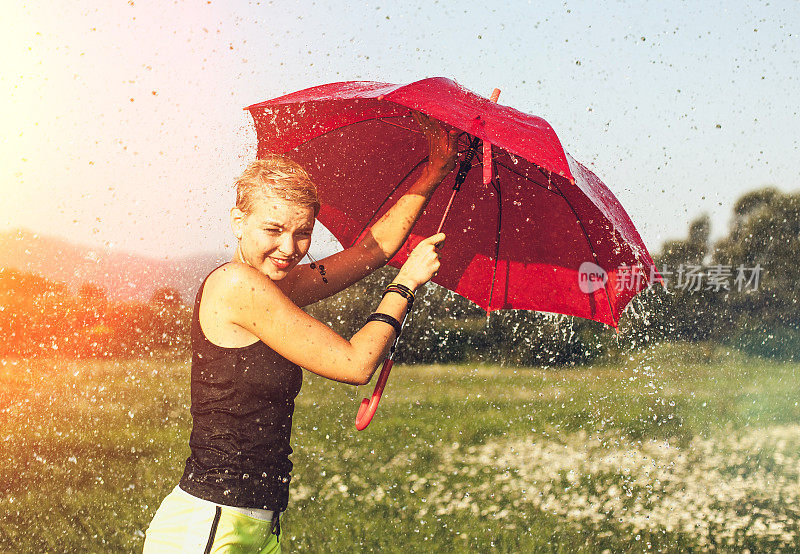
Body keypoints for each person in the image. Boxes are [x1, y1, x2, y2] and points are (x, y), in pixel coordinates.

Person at [142, 112, 458, 553]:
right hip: (210, 525)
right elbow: (356, 363)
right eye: (273, 229)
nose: (289, 248)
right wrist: (405, 284)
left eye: (303, 233)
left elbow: (372, 249)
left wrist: (435, 171)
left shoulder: (273, 284)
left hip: (258, 524)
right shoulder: (237, 285)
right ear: (238, 221)